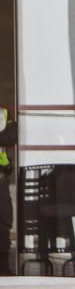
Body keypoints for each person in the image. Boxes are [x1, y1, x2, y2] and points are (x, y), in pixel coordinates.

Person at [0, 105, 16, 275]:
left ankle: (3, 266)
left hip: (0, 176)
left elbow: (11, 136)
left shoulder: (3, 113)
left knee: (4, 219)